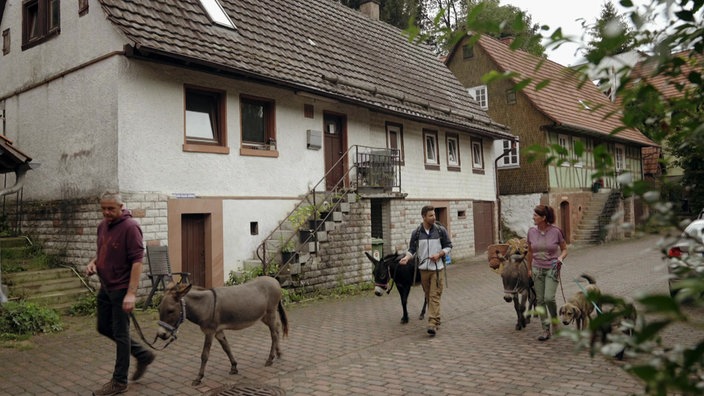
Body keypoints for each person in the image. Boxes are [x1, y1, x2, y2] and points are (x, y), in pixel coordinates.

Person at [85, 191, 155, 396]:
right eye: (103, 208)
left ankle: (119, 381)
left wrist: (131, 294)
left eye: (110, 209)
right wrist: (93, 263)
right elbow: (103, 251)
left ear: (121, 206)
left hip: (122, 289)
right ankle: (143, 355)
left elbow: (137, 261)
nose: (106, 212)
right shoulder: (102, 226)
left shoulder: (131, 227)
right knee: (104, 327)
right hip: (106, 286)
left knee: (121, 333)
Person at [399, 205, 452, 336]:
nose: (434, 217)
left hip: (437, 269)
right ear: (423, 217)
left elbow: (449, 246)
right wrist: (406, 258)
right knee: (429, 296)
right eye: (431, 215)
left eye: (434, 215)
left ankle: (432, 323)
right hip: (423, 270)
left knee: (434, 295)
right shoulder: (416, 233)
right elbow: (412, 249)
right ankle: (436, 319)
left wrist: (439, 254)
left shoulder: (440, 231)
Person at [526, 204, 568, 341]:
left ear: (543, 218)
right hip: (537, 269)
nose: (533, 217)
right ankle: (545, 329)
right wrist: (529, 269)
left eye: (536, 215)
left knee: (549, 298)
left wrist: (560, 258)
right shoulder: (531, 231)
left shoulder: (556, 231)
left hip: (552, 268)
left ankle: (555, 320)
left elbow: (564, 249)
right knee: (540, 300)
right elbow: (530, 251)